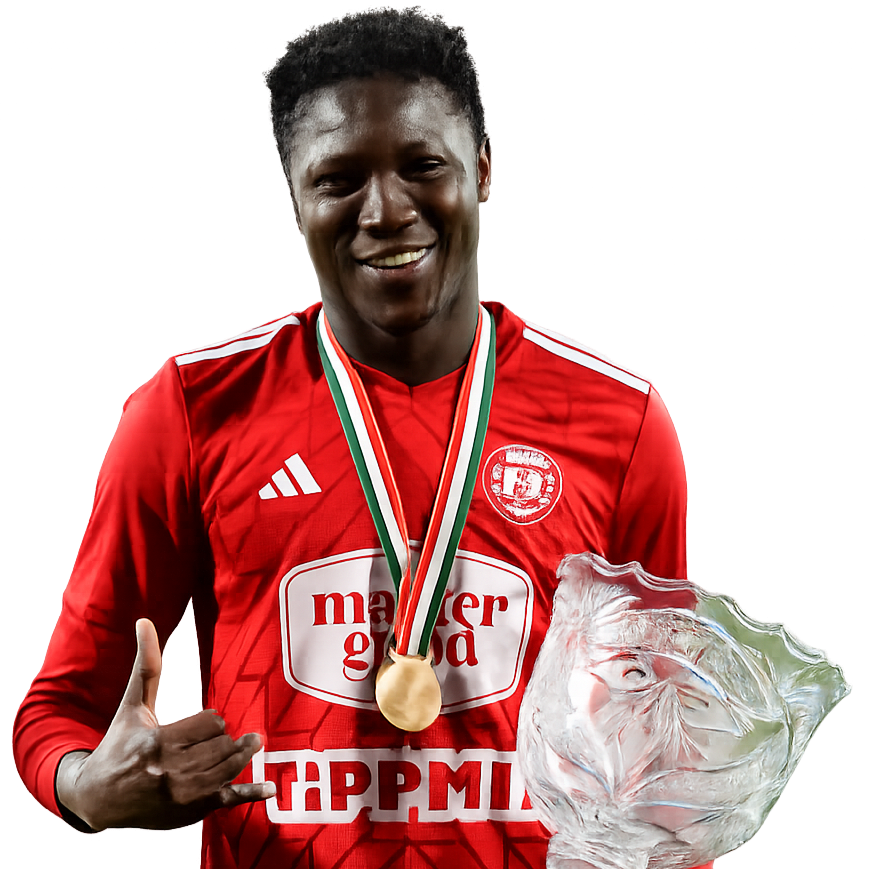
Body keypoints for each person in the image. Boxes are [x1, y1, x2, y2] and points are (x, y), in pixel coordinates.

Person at [13, 7, 714, 868]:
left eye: (423, 166)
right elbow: (58, 706)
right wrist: (86, 789)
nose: (384, 211)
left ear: (483, 173)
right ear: (294, 197)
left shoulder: (620, 420)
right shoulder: (189, 408)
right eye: (338, 178)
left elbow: (663, 738)